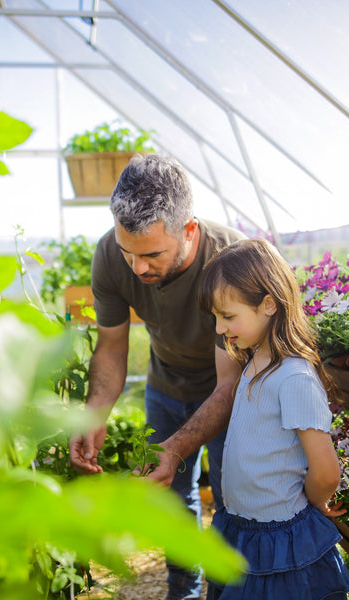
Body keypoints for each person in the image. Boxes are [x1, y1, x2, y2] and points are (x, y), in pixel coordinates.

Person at [68, 153, 245, 600]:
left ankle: (222, 596)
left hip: (232, 396)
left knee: (230, 503)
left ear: (189, 230)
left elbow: (231, 382)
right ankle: (182, 591)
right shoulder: (112, 254)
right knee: (173, 502)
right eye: (129, 252)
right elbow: (111, 348)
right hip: (165, 388)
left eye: (151, 255)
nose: (137, 268)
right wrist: (93, 414)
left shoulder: (230, 261)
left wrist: (177, 448)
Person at [197, 238, 349, 600]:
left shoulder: (294, 378)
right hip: (245, 529)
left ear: (268, 304)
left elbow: (327, 471)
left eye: (228, 316)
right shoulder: (254, 362)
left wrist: (313, 504)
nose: (220, 329)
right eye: (216, 318)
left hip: (280, 538)